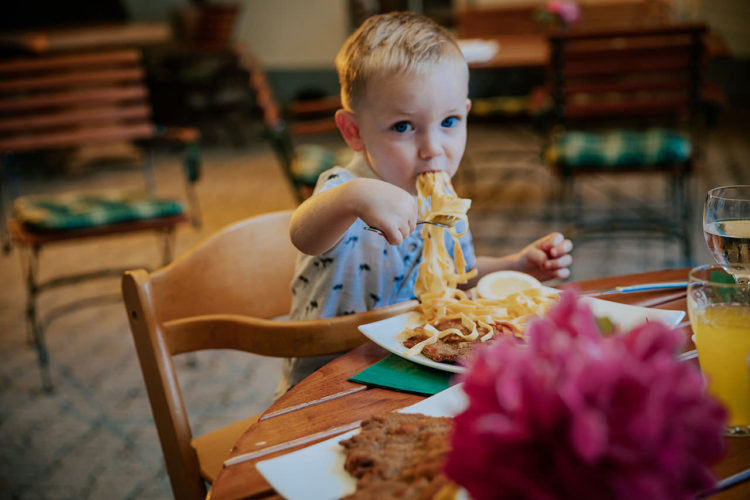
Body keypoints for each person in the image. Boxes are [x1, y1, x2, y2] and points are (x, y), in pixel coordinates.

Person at [278, 11, 573, 395]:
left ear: (466, 115)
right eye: (403, 127)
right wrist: (352, 198)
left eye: (449, 122)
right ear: (354, 131)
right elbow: (303, 234)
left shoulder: (443, 204)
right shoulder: (345, 189)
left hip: (406, 365)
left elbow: (456, 275)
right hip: (326, 383)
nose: (433, 148)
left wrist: (514, 265)